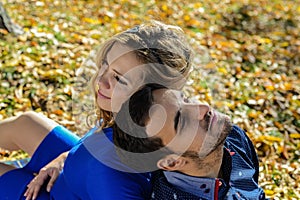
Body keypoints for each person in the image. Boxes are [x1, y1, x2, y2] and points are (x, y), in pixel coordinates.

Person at [0, 20, 193, 200]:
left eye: (118, 79)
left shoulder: (112, 173)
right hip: (75, 172)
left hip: (54, 194)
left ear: (152, 96)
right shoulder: (135, 124)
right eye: (105, 65)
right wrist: (64, 158)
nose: (101, 81)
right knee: (27, 123)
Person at [113, 84, 266, 200]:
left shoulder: (233, 137)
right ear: (172, 162)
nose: (204, 108)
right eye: (183, 121)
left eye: (185, 99)